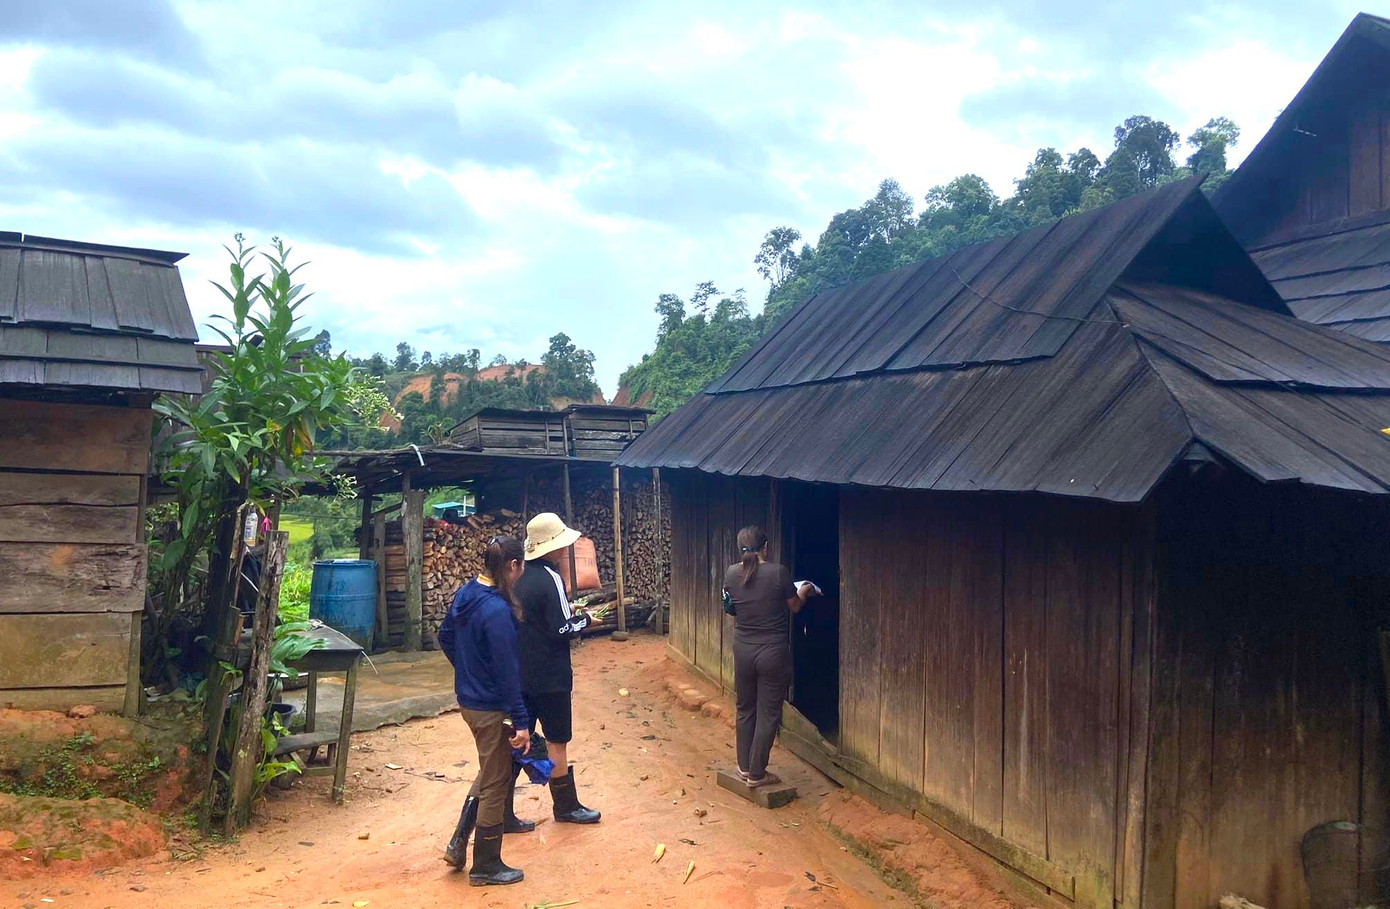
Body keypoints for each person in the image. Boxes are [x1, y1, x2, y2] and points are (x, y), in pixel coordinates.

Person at [436, 535, 532, 887]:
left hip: (468, 701)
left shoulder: (466, 594)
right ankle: (486, 865)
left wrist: (466, 670)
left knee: (491, 767)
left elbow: (444, 635)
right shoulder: (497, 612)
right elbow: (508, 675)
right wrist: (521, 721)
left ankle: (459, 840)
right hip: (489, 706)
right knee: (496, 781)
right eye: (520, 568)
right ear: (512, 566)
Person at [516, 512, 602, 825]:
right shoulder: (550, 577)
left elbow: (538, 618)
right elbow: (561, 629)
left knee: (519, 740)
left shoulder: (519, 575)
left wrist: (568, 609)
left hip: (521, 674)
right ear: (553, 547)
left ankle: (501, 812)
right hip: (551, 676)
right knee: (556, 740)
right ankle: (565, 806)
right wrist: (586, 620)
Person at [723, 526, 816, 787]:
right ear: (766, 548)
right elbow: (794, 606)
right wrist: (806, 590)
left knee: (744, 707)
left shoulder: (731, 573)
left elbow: (730, 607)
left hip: (742, 650)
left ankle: (743, 768)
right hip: (772, 652)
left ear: (740, 548)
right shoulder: (778, 572)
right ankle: (757, 773)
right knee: (768, 712)